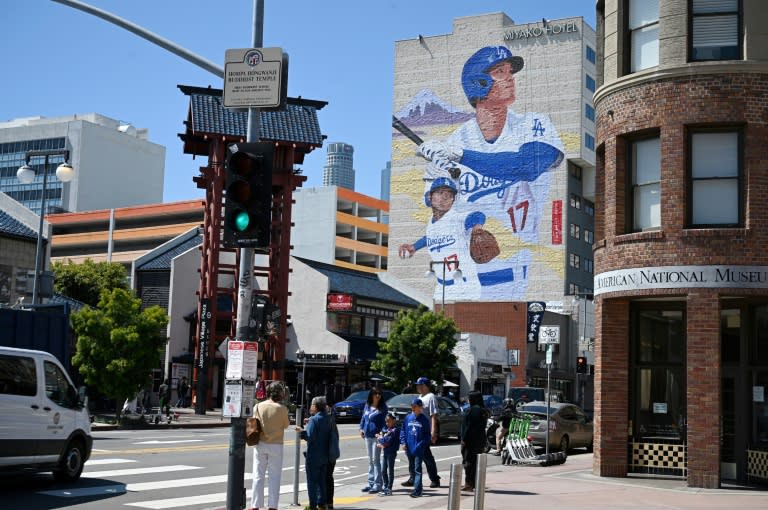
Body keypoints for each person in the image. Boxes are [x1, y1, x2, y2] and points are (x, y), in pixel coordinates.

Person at [416, 46, 565, 300]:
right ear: (479, 82)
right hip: (459, 276)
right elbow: (435, 209)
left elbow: (526, 166)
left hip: (511, 273)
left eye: (510, 71)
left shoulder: (533, 124)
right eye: (500, 71)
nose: (510, 78)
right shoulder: (455, 140)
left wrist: (462, 157)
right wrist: (436, 173)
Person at [398, 177, 482, 301]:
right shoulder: (432, 222)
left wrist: (477, 227)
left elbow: (477, 216)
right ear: (430, 197)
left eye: (448, 195)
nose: (444, 198)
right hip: (442, 286)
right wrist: (414, 247)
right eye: (439, 193)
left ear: (453, 200)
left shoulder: (456, 218)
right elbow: (429, 237)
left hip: (465, 285)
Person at [250, 381, 291, 510]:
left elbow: (253, 422)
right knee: (274, 476)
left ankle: (255, 504)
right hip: (276, 445)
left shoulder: (258, 406)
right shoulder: (282, 409)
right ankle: (272, 505)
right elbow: (286, 425)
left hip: (260, 443)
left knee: (258, 474)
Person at [297, 396, 332, 510]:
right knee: (322, 480)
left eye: (312, 405)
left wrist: (302, 432)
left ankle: (312, 505)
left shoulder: (314, 419)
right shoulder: (327, 418)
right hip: (325, 454)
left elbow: (310, 437)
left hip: (314, 455)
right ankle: (322, 503)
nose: (310, 407)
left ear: (315, 406)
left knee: (312, 481)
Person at [407, 376, 441, 488]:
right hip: (416, 431)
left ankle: (434, 479)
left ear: (425, 386)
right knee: (412, 455)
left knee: (426, 456)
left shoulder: (431, 397)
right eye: (417, 385)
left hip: (425, 432)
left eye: (420, 385)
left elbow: (433, 416)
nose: (418, 387)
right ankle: (412, 478)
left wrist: (433, 432)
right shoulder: (420, 397)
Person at [400, 398, 431, 498]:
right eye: (412, 406)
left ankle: (417, 490)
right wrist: (403, 442)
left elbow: (427, 436)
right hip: (409, 448)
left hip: (418, 449)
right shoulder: (408, 418)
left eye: (415, 406)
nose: (413, 408)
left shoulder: (424, 420)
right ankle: (415, 484)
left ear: (420, 407)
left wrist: (421, 445)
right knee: (412, 468)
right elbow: (403, 431)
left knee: (418, 469)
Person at [359, 388, 387, 493]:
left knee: (376, 460)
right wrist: (361, 428)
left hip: (376, 437)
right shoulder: (367, 405)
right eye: (376, 393)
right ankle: (370, 483)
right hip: (367, 436)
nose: (378, 395)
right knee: (370, 460)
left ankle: (378, 484)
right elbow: (363, 418)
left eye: (379, 393)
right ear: (371, 395)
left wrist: (382, 433)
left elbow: (385, 422)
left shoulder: (383, 408)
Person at [460, 391, 489, 491]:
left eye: (469, 398)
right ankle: (475, 482)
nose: (468, 400)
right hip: (480, 440)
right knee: (476, 462)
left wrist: (464, 439)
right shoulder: (483, 410)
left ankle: (469, 483)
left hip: (470, 440)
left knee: (468, 462)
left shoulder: (473, 410)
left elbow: (469, 426)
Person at [376, 412, 400, 496]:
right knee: (383, 470)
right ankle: (385, 486)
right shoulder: (386, 429)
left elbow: (387, 442)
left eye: (389, 421)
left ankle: (389, 488)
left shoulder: (395, 430)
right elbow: (381, 434)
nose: (387, 423)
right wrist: (381, 437)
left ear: (394, 420)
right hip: (386, 452)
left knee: (390, 470)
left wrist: (380, 439)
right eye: (386, 421)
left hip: (391, 452)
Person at [325, 402, 340, 510]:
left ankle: (325, 502)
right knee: (329, 478)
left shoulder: (323, 420)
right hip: (332, 454)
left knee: (324, 478)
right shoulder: (331, 420)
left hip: (326, 455)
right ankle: (329, 502)